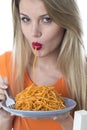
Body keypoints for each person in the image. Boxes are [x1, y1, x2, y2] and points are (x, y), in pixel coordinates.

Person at [0, 0, 87, 130]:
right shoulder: (5, 66)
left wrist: (66, 121)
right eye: (26, 19)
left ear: (66, 21)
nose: (34, 32)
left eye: (46, 19)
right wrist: (5, 117)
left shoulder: (83, 74)